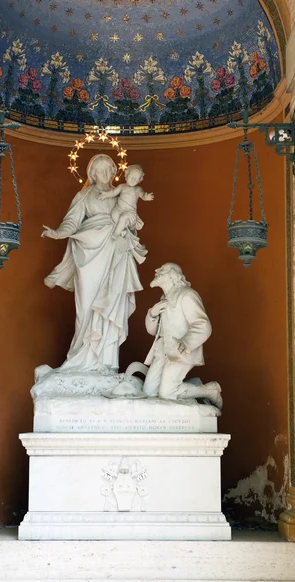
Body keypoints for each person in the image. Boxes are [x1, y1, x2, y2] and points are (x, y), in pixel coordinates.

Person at [41, 154, 147, 373]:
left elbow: (130, 214)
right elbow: (72, 221)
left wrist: (130, 224)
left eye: (109, 169)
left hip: (115, 251)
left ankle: (105, 363)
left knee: (111, 303)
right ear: (92, 173)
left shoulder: (121, 192)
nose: (106, 174)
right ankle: (82, 357)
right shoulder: (84, 195)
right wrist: (58, 233)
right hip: (88, 252)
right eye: (100, 170)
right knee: (87, 306)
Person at [143, 263, 222, 408]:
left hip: (181, 351)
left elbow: (203, 325)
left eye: (162, 270)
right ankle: (193, 385)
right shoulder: (163, 300)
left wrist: (186, 342)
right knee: (149, 392)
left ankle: (210, 391)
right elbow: (153, 331)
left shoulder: (187, 294)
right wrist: (152, 314)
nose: (156, 271)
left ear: (173, 276)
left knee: (167, 393)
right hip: (162, 352)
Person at [98, 165, 154, 239]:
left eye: (136, 179)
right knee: (114, 214)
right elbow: (114, 192)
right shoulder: (122, 186)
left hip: (130, 213)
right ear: (126, 175)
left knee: (123, 218)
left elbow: (143, 195)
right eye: (132, 177)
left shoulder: (137, 189)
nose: (133, 180)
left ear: (140, 180)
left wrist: (146, 197)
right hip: (119, 209)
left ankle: (115, 234)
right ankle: (123, 229)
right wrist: (106, 194)